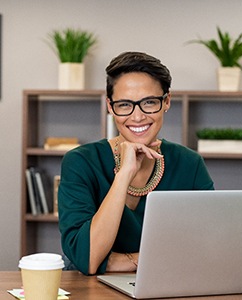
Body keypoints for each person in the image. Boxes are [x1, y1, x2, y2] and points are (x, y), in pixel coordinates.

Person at [58, 51, 214, 275]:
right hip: (92, 290)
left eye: (149, 103)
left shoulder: (190, 164)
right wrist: (124, 175)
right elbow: (89, 259)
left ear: (166, 101)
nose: (138, 116)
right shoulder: (80, 162)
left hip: (167, 282)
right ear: (110, 107)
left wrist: (117, 262)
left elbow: (207, 248)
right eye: (124, 105)